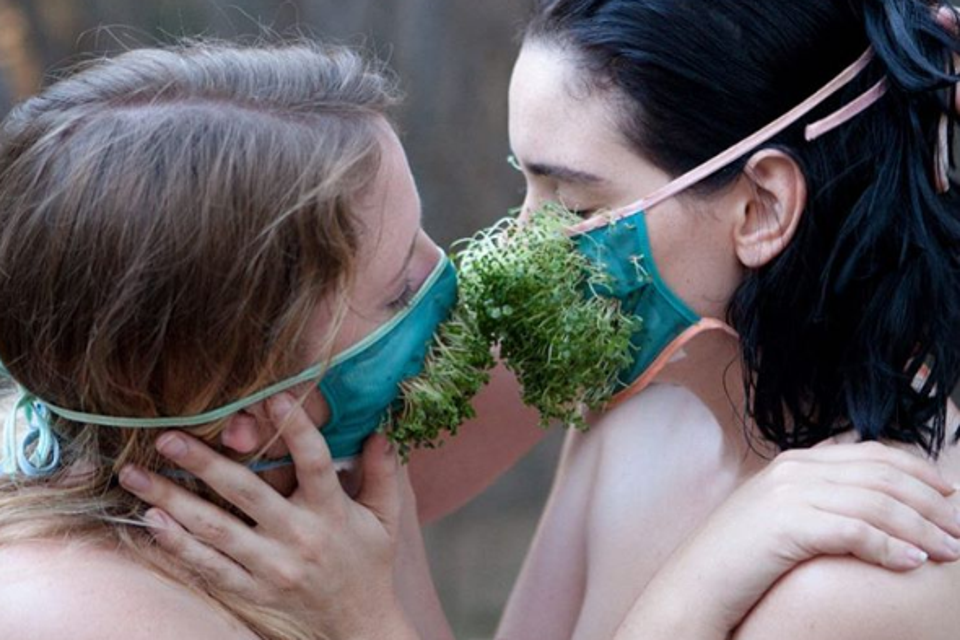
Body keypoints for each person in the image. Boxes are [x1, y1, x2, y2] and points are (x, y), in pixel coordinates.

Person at [113, 2, 960, 640]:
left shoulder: (868, 568)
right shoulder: (634, 412)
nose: (521, 243)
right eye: (525, 182)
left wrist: (364, 624)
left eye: (575, 203)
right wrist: (372, 552)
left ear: (761, 208)